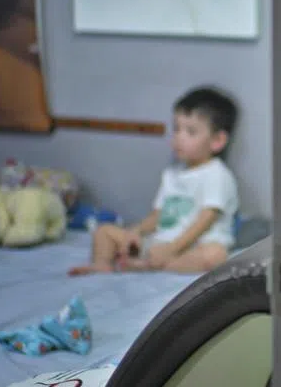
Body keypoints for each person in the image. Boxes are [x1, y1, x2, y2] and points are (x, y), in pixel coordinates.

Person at [69, 86, 239, 276]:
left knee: (216, 255)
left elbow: (205, 221)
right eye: (176, 129)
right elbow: (158, 214)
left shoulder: (217, 174)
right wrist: (136, 231)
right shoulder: (171, 174)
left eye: (190, 132)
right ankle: (102, 264)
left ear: (217, 141)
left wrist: (172, 248)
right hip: (160, 243)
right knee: (104, 231)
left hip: (193, 244)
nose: (179, 138)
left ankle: (148, 265)